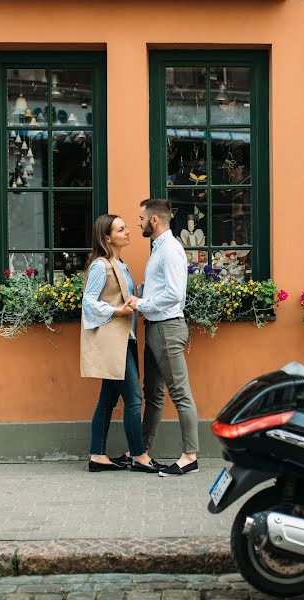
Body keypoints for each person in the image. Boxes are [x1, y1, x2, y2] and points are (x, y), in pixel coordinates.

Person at [81, 214, 165, 474]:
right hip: (113, 339)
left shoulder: (120, 264)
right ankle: (139, 456)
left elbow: (125, 295)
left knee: (107, 399)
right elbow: (88, 302)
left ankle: (97, 455)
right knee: (134, 398)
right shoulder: (101, 265)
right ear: (107, 237)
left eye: (127, 227)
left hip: (124, 338)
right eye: (121, 229)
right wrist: (117, 311)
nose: (128, 231)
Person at [125, 198, 200, 477]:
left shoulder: (170, 250)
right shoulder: (158, 249)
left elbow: (174, 294)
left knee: (180, 393)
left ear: (154, 220)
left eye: (141, 218)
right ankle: (141, 451)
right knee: (153, 394)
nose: (138, 222)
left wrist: (141, 304)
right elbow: (161, 288)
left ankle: (190, 456)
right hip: (156, 327)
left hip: (167, 327)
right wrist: (143, 292)